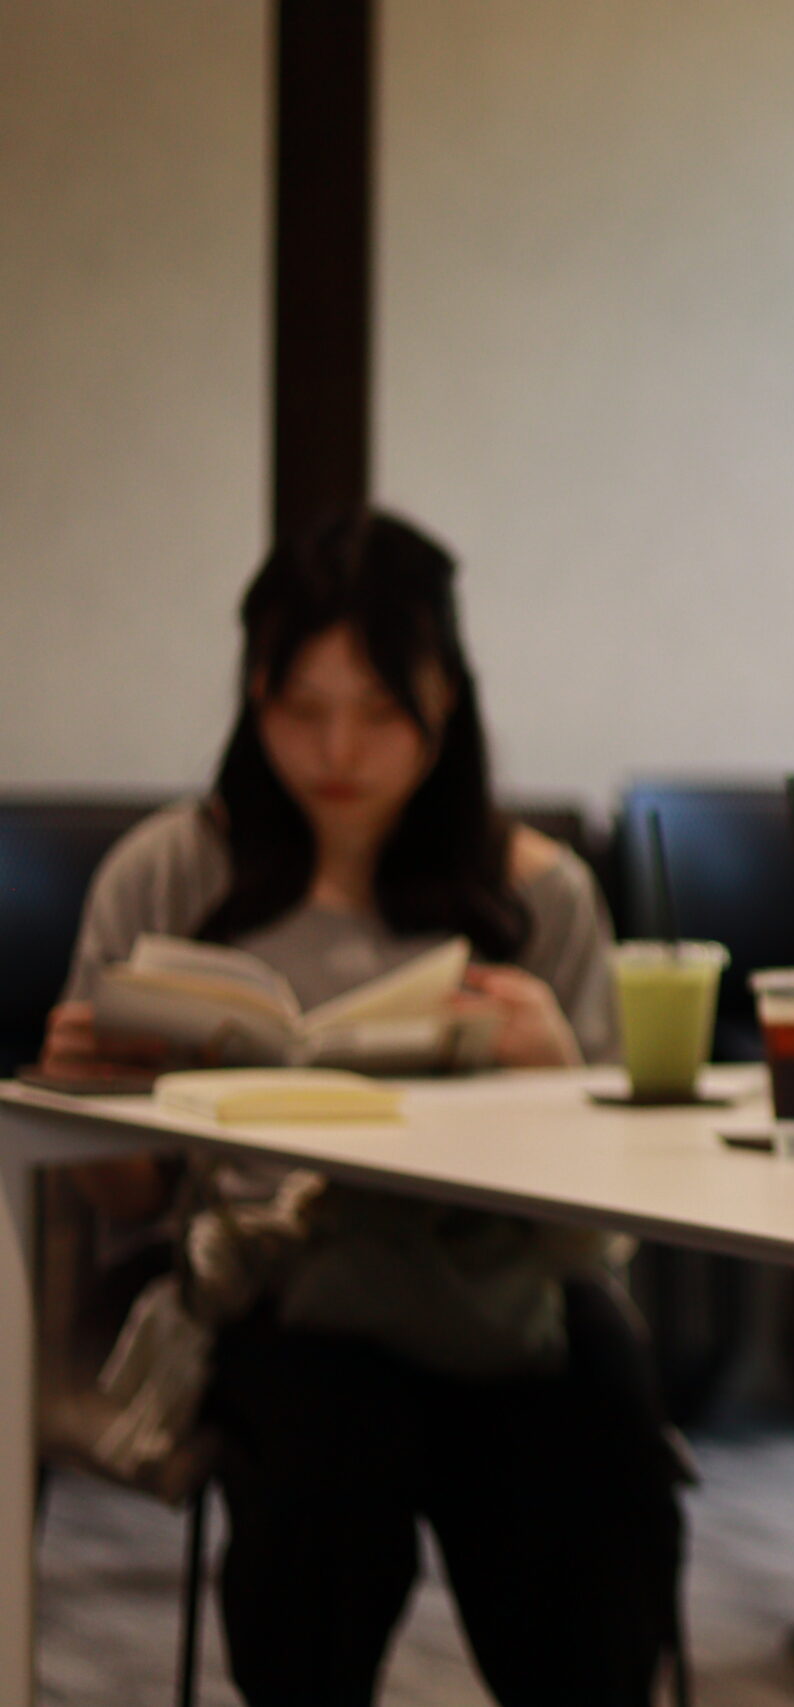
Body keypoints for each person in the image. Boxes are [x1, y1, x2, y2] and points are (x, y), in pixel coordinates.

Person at [43, 510, 683, 1707]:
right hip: (275, 1279)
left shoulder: (539, 894)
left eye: (381, 711)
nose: (337, 749)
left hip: (502, 1282)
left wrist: (557, 1078)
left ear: (448, 699)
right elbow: (130, 1201)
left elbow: (595, 1230)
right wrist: (95, 1101)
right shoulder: (171, 871)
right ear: (253, 695)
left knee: (599, 1435)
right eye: (300, 708)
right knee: (328, 1449)